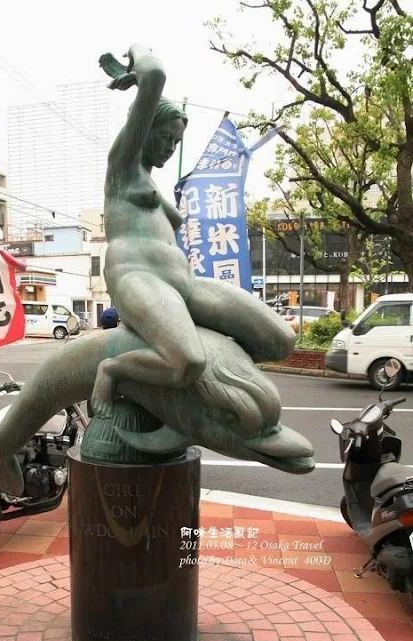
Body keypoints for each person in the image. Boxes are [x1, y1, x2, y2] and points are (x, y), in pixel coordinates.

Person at [92, 44, 294, 418]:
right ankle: (113, 370)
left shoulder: (150, 181)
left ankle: (200, 375)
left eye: (176, 141)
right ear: (144, 129)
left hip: (185, 282)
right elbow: (155, 73)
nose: (170, 148)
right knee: (186, 361)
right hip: (137, 276)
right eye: (164, 137)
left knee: (279, 340)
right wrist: (135, 63)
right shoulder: (123, 168)